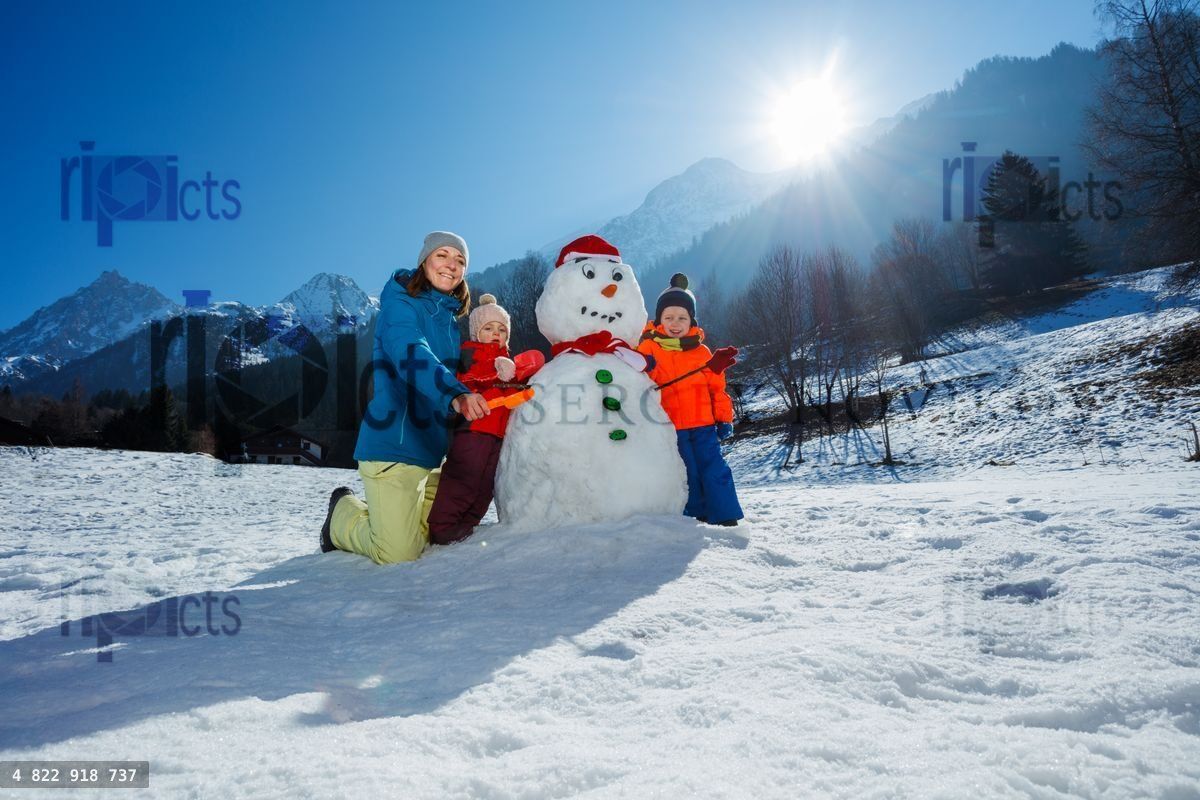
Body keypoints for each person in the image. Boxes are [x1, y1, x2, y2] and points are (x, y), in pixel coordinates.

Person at [320, 231, 490, 563]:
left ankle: (388, 513)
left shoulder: (448, 320)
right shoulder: (400, 304)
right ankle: (341, 514)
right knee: (398, 552)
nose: (451, 265)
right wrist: (453, 392)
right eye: (442, 255)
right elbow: (412, 353)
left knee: (436, 531)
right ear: (424, 261)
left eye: (460, 261)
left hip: (433, 452)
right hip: (394, 448)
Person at [427, 294, 544, 544]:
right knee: (463, 477)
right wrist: (497, 374)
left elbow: (509, 392)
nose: (495, 333)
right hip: (473, 429)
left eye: (502, 329)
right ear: (476, 332)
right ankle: (442, 526)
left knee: (486, 482)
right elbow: (468, 383)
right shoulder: (470, 355)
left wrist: (520, 383)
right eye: (488, 328)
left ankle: (468, 523)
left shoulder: (507, 363)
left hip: (497, 434)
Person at [637, 273, 744, 526]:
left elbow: (716, 388)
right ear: (659, 320)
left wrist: (723, 418)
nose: (676, 323)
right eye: (669, 317)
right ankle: (696, 515)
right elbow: (638, 376)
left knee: (714, 469)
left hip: (704, 425)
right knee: (688, 473)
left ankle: (726, 514)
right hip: (672, 428)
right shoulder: (650, 348)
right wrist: (644, 364)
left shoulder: (701, 351)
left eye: (682, 318)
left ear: (691, 320)